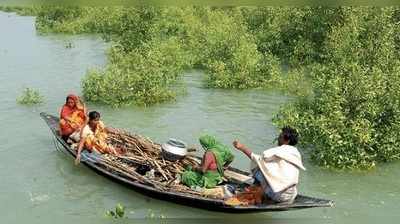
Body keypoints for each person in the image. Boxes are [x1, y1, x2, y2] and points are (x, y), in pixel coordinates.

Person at [232, 126, 306, 204]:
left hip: (278, 196)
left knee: (259, 167)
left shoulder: (280, 150)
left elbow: (260, 159)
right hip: (291, 196)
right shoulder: (295, 153)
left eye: (280, 137)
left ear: (287, 140)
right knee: (266, 168)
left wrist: (242, 148)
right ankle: (258, 191)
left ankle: (258, 196)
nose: (278, 139)